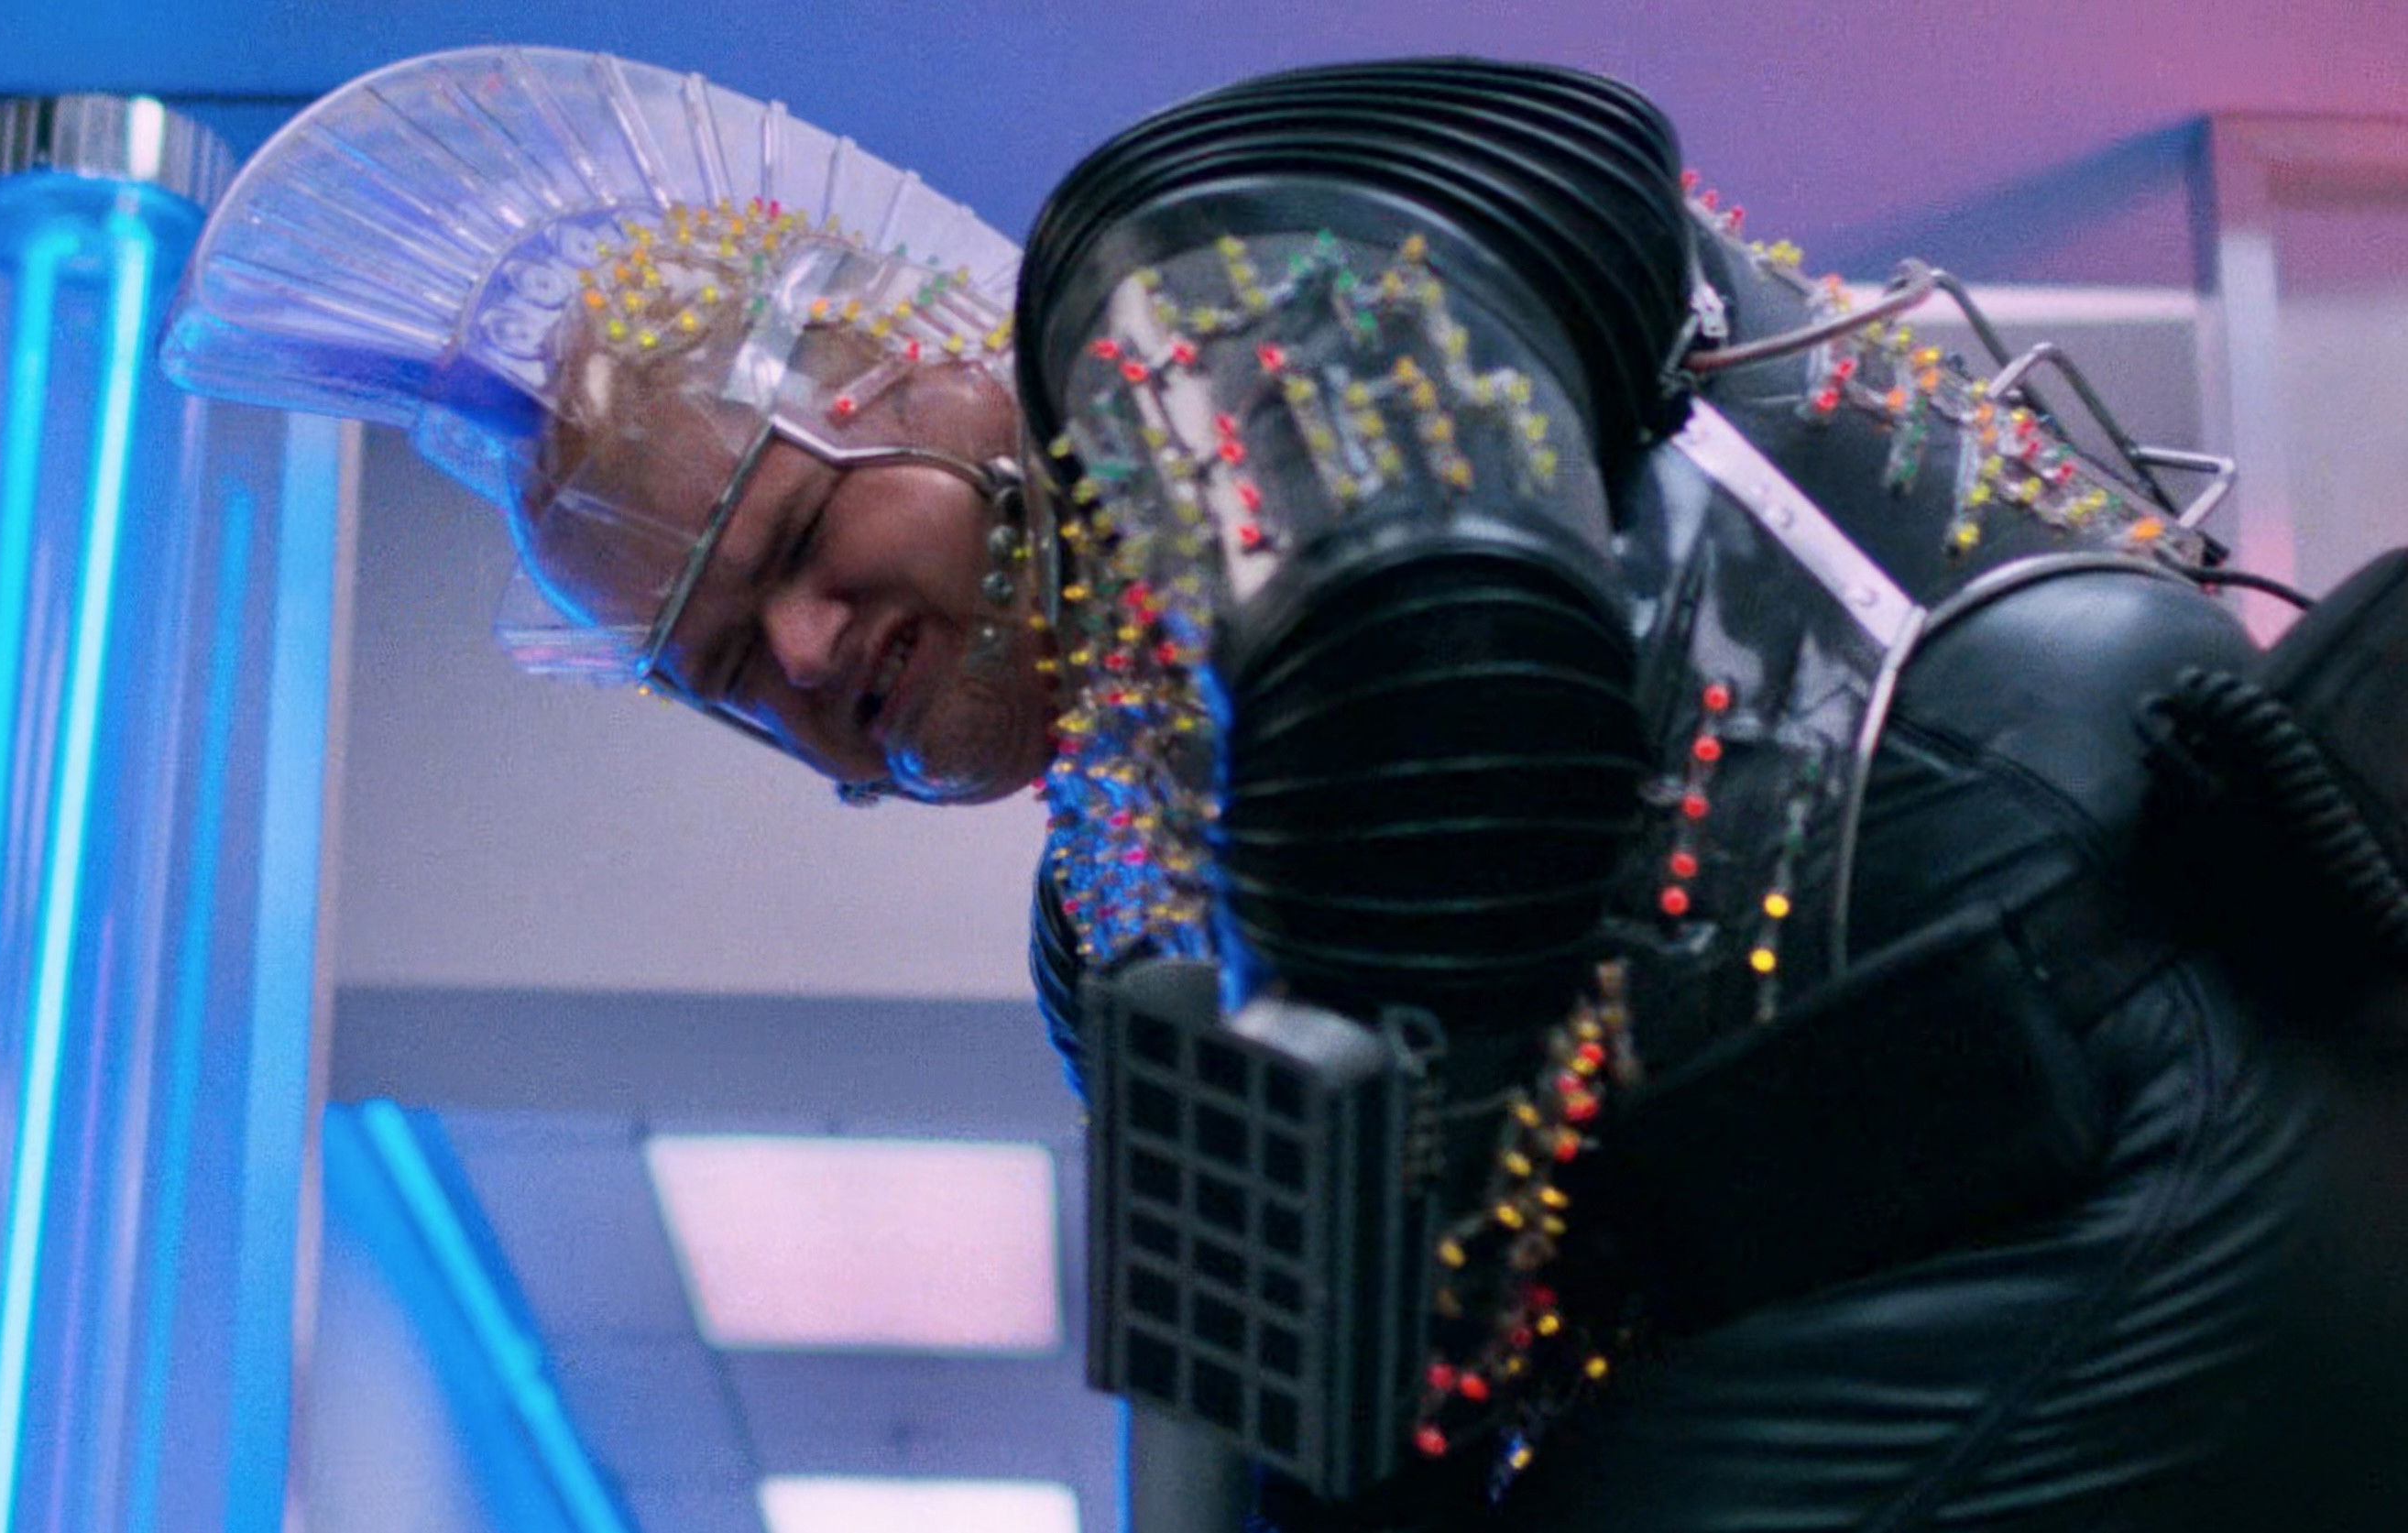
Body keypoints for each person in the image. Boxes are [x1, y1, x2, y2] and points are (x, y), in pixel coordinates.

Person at [164, 47, 2408, 1532]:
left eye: (797, 544)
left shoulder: (1195, 257)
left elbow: (1441, 651)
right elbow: (1301, 1412)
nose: (815, 658)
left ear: (929, 367)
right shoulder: (1111, 923)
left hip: (2110, 1083)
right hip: (1861, 1270)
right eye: (732, 665)